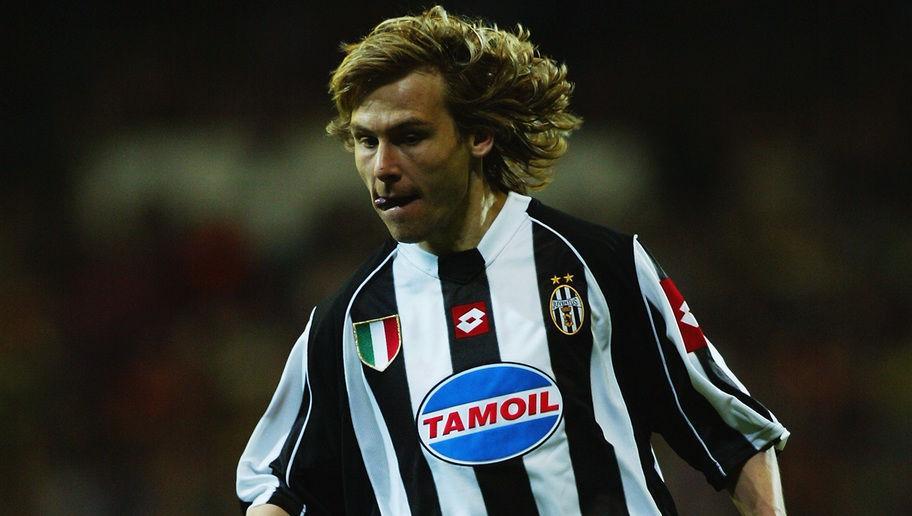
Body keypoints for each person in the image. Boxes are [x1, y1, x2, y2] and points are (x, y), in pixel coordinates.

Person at [236, 6, 788, 515]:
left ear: (479, 134)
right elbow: (278, 485)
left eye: (409, 136)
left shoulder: (601, 266)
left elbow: (735, 436)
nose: (383, 166)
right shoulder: (347, 321)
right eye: (365, 141)